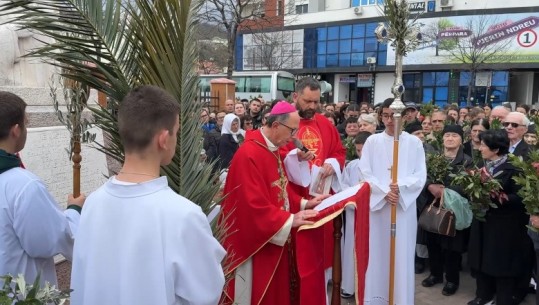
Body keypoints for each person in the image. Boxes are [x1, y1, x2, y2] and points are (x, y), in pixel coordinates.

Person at [70, 85, 225, 305]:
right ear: (163, 139)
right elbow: (205, 294)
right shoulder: (184, 215)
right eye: (177, 132)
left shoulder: (93, 203)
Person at [219, 101, 328, 305]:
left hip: (274, 235)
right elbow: (250, 206)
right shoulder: (249, 154)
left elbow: (280, 191)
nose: (294, 137)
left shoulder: (271, 149)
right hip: (255, 244)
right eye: (292, 130)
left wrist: (305, 203)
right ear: (276, 125)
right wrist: (288, 219)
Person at [0, 91, 84, 286]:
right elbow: (49, 241)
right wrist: (74, 210)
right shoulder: (23, 186)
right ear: (16, 130)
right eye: (26, 123)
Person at [282, 77, 346, 298]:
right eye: (308, 101)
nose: (312, 107)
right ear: (295, 97)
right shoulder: (284, 124)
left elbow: (338, 151)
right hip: (295, 202)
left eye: (316, 102)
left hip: (321, 200)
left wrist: (332, 163)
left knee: (321, 263)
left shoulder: (325, 124)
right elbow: (276, 159)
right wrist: (295, 158)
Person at [358, 97, 427, 304]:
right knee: (378, 253)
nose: (390, 120)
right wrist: (383, 192)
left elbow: (420, 174)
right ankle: (377, 298)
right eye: (386, 115)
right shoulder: (372, 141)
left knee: (401, 253)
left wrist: (402, 187)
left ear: (405, 117)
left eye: (394, 116)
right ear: (381, 117)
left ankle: (399, 299)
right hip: (379, 208)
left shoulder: (414, 143)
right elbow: (365, 172)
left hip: (402, 208)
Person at [467, 129, 533, 305]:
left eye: (483, 145)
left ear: (496, 149)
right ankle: (483, 295)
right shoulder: (482, 165)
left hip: (505, 226)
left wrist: (497, 196)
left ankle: (504, 298)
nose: (480, 148)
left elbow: (521, 198)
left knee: (501, 262)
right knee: (481, 258)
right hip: (483, 221)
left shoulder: (514, 168)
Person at [421, 125, 472, 296]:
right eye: (447, 135)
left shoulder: (467, 160)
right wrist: (430, 185)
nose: (450, 138)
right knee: (433, 242)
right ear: (442, 138)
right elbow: (422, 175)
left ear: (461, 140)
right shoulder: (433, 158)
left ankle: (452, 280)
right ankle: (435, 274)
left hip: (453, 210)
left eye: (454, 135)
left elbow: (468, 183)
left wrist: (446, 191)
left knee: (452, 248)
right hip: (433, 206)